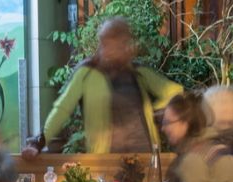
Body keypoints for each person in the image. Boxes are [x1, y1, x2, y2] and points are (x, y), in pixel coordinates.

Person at [23, 17, 182, 156]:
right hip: (106, 161)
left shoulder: (138, 72)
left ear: (125, 45)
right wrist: (39, 142)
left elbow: (176, 92)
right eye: (105, 43)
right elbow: (62, 109)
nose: (107, 49)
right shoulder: (86, 73)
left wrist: (153, 112)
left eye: (115, 44)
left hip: (144, 156)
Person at [134, 92, 233, 182]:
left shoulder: (195, 158)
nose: (163, 128)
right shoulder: (217, 149)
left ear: (185, 124)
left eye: (168, 123)